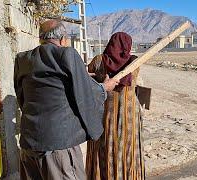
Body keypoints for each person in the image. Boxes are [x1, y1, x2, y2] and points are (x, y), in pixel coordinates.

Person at [13, 19, 119, 180]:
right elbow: (85, 92)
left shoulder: (23, 59)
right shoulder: (66, 54)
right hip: (57, 146)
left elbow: (21, 96)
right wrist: (104, 88)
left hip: (29, 143)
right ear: (63, 39)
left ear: (41, 38)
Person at [86, 32, 145, 180]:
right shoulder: (134, 63)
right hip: (129, 117)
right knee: (127, 150)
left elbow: (88, 82)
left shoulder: (98, 61)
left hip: (105, 116)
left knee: (104, 149)